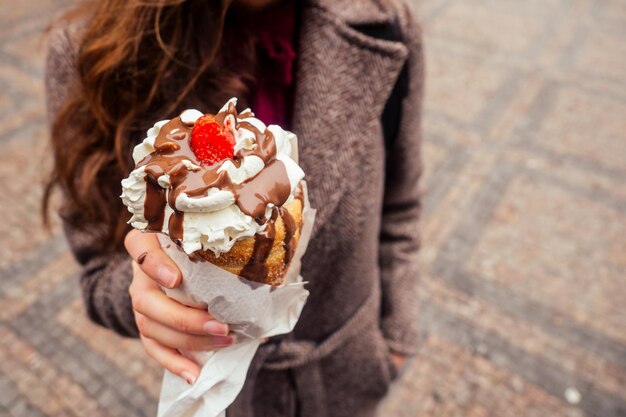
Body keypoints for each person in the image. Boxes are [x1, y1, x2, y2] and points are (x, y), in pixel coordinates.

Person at [44, 0, 424, 415]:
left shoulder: (385, 25)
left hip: (347, 378)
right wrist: (150, 292)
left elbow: (400, 206)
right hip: (212, 391)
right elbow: (99, 269)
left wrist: (395, 341)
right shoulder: (88, 53)